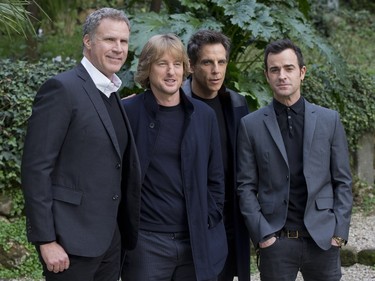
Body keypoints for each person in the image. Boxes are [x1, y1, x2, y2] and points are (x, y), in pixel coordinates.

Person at [21, 8, 142, 281]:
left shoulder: (111, 93)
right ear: (88, 41)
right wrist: (46, 241)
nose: (118, 48)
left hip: (110, 240)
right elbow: (35, 168)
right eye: (110, 40)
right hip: (69, 244)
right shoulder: (62, 89)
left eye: (123, 41)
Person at [236, 38, 353, 281]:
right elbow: (245, 186)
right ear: (267, 75)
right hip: (276, 241)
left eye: (288, 68)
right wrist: (263, 236)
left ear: (302, 73)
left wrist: (339, 234)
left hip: (322, 240)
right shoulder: (251, 125)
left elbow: (342, 181)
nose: (282, 75)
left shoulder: (328, 120)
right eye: (275, 69)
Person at [121, 33, 228, 281]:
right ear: (148, 69)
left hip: (195, 242)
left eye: (177, 64)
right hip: (146, 244)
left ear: (185, 69)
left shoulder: (203, 116)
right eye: (162, 64)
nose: (171, 72)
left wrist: (209, 217)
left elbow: (216, 178)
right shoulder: (127, 113)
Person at [182, 29, 250, 281]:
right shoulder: (176, 103)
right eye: (207, 62)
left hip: (230, 220)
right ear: (191, 65)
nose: (216, 70)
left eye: (221, 62)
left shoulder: (236, 103)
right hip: (191, 222)